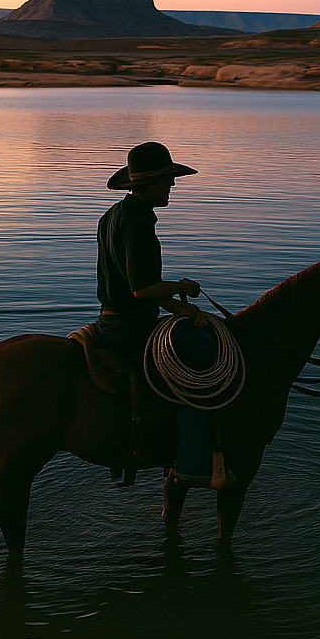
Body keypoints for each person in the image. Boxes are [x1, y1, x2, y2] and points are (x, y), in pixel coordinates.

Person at [92, 141, 209, 471]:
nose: (172, 184)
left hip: (109, 320)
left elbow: (135, 285)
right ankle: (192, 460)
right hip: (132, 326)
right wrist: (181, 292)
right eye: (167, 179)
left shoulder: (112, 215)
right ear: (150, 183)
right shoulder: (139, 222)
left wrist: (180, 306)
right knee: (200, 352)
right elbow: (142, 289)